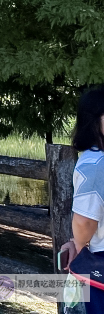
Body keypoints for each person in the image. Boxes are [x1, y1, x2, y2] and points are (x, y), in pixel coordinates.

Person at [61, 87, 104, 313]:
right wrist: (79, 244)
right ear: (95, 120)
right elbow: (85, 220)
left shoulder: (95, 162)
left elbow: (85, 220)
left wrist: (78, 244)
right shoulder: (97, 164)